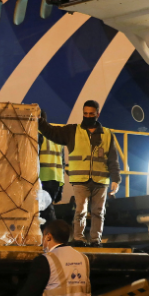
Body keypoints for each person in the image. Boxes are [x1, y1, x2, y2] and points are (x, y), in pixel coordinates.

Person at [38, 100, 121, 246]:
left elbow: (112, 159)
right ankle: (79, 239)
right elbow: (52, 132)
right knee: (80, 211)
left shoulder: (107, 134)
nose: (88, 116)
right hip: (80, 179)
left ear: (97, 114)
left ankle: (96, 240)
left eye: (91, 114)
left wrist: (116, 179)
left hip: (100, 180)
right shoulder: (73, 131)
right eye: (85, 114)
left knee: (98, 212)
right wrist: (40, 122)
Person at [39, 134, 65, 225]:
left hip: (42, 177)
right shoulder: (57, 136)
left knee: (44, 211)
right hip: (56, 178)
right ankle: (52, 233)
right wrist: (61, 187)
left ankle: (54, 234)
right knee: (46, 209)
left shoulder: (36, 133)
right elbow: (63, 162)